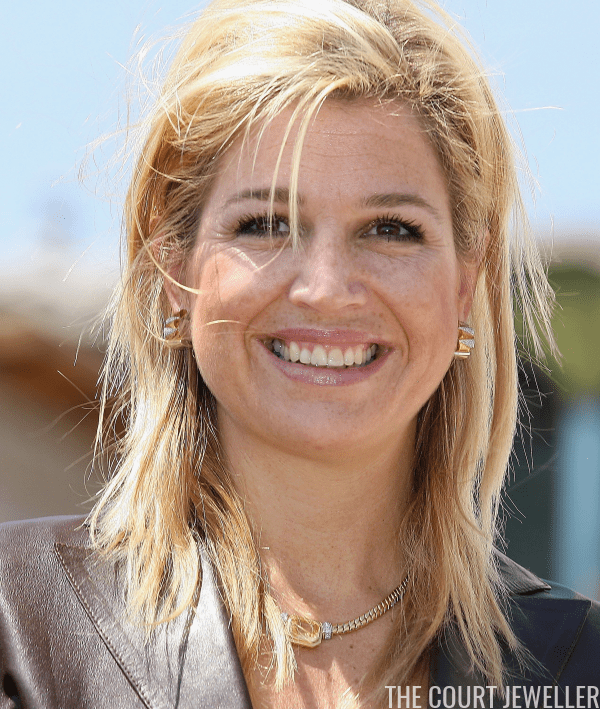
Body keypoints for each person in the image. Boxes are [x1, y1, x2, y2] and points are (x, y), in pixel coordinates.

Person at [1, 0, 599, 707]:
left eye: (391, 229)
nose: (326, 288)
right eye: (264, 223)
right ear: (172, 273)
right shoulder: (19, 624)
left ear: (466, 285)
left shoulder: (578, 664)